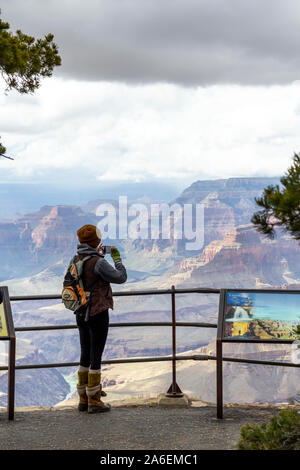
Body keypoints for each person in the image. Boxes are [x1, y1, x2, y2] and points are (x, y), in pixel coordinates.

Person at [75, 224, 127, 413]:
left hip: (80, 312)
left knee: (85, 353)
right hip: (97, 312)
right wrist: (117, 259)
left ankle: (82, 398)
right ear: (95, 241)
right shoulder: (97, 262)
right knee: (96, 354)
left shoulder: (76, 258)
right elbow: (120, 277)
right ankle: (94, 400)